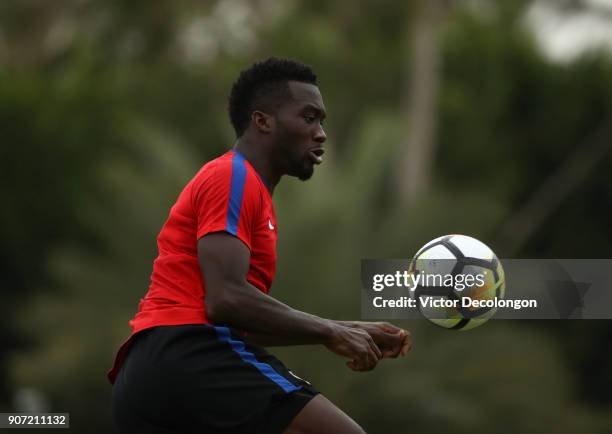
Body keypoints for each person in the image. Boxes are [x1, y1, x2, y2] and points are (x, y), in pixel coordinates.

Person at [109, 57, 412, 434]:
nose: (321, 133)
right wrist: (331, 332)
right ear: (263, 121)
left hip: (148, 373)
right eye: (309, 117)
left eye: (322, 121)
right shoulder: (233, 176)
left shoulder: (246, 188)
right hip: (190, 353)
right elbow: (225, 301)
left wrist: (345, 329)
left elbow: (240, 322)